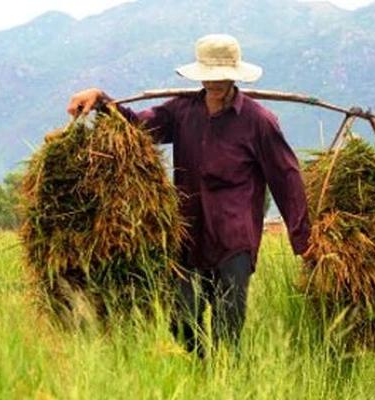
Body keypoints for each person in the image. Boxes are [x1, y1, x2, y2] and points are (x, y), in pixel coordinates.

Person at [66, 34, 311, 356]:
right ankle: (201, 367)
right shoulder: (181, 111)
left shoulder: (258, 121)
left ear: (234, 74)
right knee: (181, 322)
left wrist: (304, 241)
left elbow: (286, 178)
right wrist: (101, 100)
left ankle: (223, 380)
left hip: (234, 240)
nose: (215, 83)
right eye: (208, 76)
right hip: (188, 237)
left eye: (221, 76)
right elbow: (137, 127)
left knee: (227, 327)